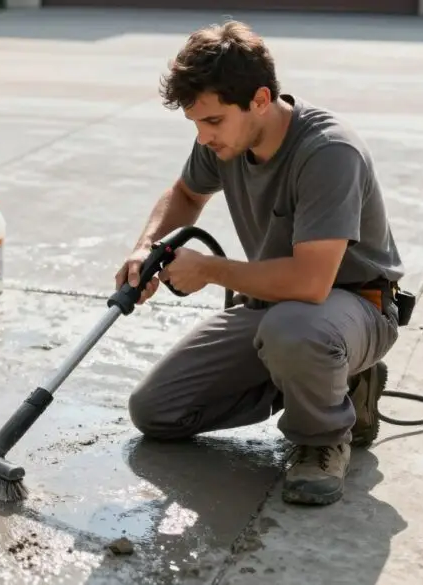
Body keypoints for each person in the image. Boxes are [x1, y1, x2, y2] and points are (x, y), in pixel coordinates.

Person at [119, 19, 405, 507]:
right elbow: (187, 192)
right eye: (196, 124)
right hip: (277, 309)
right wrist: (146, 246)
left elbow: (313, 283)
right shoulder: (226, 139)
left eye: (212, 122)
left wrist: (209, 269)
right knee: (157, 412)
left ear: (260, 99)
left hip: (354, 306)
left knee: (297, 330)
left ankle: (323, 438)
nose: (204, 136)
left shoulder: (328, 151)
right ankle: (319, 378)